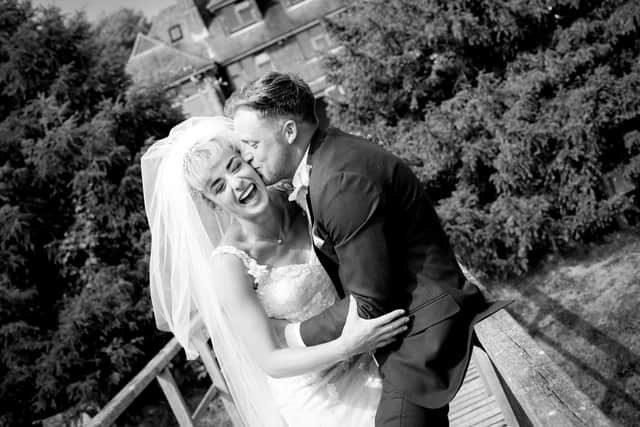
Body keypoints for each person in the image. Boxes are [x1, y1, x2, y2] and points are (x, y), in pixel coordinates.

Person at [225, 72, 510, 427]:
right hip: (396, 331)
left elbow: (370, 302)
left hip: (422, 327)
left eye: (252, 143)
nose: (248, 157)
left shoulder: (340, 181)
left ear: (288, 132)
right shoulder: (328, 159)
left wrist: (291, 334)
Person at [141, 116, 409, 427]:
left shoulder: (300, 196)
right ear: (212, 204)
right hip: (319, 396)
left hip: (377, 353)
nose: (236, 183)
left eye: (234, 166)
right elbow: (270, 360)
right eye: (219, 186)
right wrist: (346, 346)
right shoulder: (230, 265)